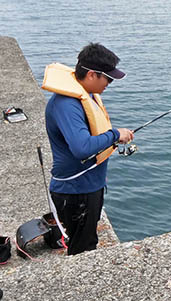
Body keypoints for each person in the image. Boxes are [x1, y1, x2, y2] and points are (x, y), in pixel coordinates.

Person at [42, 42, 134, 255]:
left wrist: (114, 138)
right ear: (92, 75)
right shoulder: (66, 105)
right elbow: (82, 148)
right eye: (108, 78)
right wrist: (115, 135)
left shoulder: (85, 94)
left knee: (87, 240)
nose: (109, 83)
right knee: (83, 250)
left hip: (88, 186)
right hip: (76, 192)